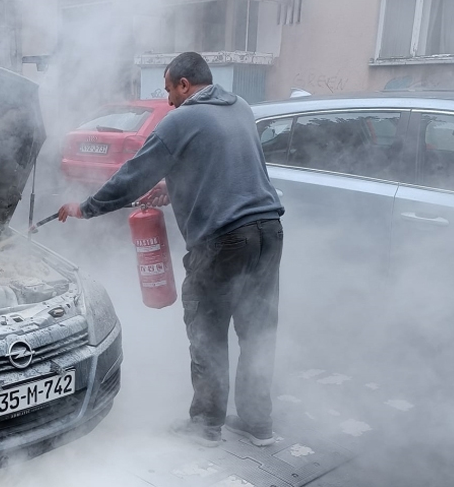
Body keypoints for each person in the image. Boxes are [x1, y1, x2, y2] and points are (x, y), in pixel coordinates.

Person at [57, 52, 285, 447]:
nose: (167, 101)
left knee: (207, 330)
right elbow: (228, 165)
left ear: (184, 84)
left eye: (169, 90)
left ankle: (206, 426)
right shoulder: (241, 107)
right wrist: (173, 187)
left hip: (225, 239)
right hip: (268, 231)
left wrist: (87, 207)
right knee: (256, 331)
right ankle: (258, 424)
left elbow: (134, 175)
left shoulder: (181, 119)